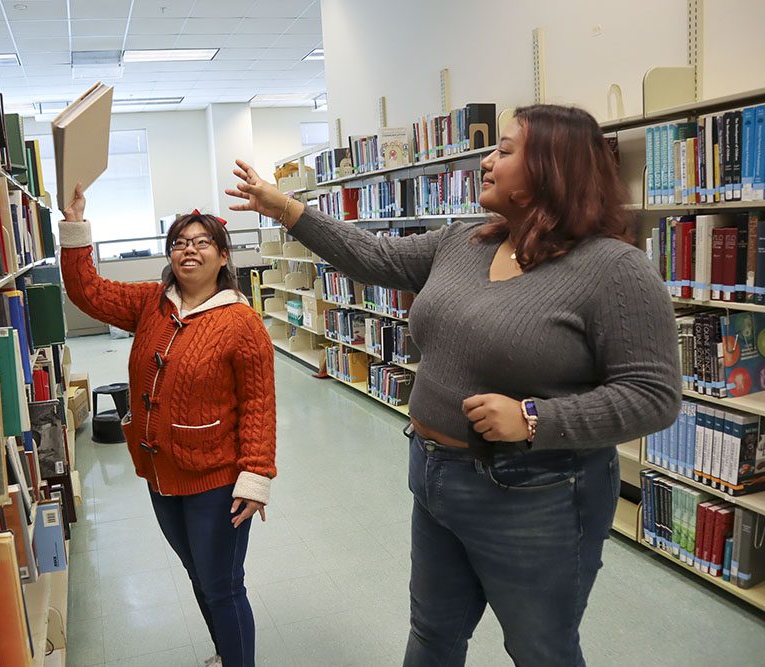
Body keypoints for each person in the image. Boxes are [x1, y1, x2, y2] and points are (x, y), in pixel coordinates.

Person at [227, 104, 681, 666]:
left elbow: (654, 395)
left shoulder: (613, 270)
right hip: (434, 474)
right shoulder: (466, 242)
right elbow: (373, 255)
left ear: (552, 169)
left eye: (506, 150)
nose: (487, 160)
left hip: (534, 492)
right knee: (433, 635)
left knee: (541, 649)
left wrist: (535, 418)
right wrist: (286, 208)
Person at [59, 185, 276, 667]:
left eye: (201, 242)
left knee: (222, 585)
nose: (189, 249)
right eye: (179, 241)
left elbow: (260, 404)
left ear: (223, 256)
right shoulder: (149, 304)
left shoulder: (242, 323)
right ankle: (227, 652)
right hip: (161, 474)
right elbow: (87, 290)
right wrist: (75, 228)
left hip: (216, 478)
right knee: (199, 575)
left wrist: (256, 476)